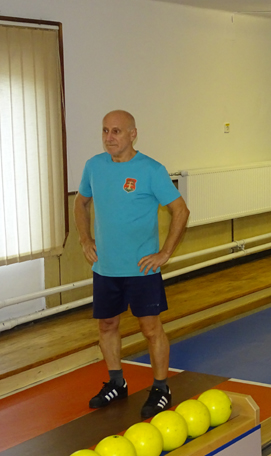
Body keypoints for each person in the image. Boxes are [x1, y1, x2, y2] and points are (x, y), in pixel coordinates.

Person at [74, 110, 190, 419]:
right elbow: (80, 202)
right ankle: (117, 383)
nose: (109, 137)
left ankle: (161, 388)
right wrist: (85, 239)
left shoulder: (151, 170)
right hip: (105, 268)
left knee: (150, 329)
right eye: (105, 131)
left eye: (116, 131)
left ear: (132, 134)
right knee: (107, 325)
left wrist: (165, 253)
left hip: (142, 269)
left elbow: (180, 210)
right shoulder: (94, 166)